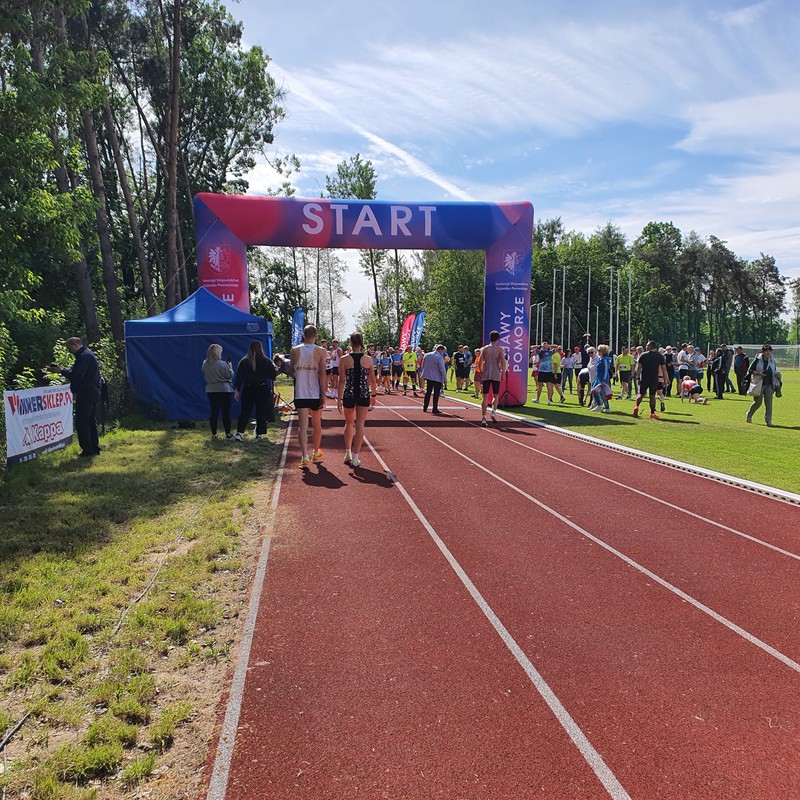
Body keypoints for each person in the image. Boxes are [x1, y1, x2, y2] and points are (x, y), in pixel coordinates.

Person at [50, 336, 102, 457]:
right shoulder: (87, 354)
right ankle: (94, 447)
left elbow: (77, 376)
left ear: (76, 345)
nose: (69, 351)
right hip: (93, 391)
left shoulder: (83, 357)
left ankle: (87, 449)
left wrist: (61, 371)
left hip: (86, 392)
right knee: (91, 420)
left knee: (82, 422)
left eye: (70, 348)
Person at [289, 324, 327, 467]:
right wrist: (323, 393)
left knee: (302, 425)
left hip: (300, 392)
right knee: (317, 424)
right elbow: (322, 374)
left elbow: (291, 371)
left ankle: (304, 456)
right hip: (315, 392)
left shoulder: (294, 350)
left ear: (303, 336)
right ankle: (316, 452)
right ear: (316, 336)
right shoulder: (321, 351)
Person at [337, 332, 377, 468]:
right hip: (363, 394)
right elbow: (373, 380)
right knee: (360, 425)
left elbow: (341, 380)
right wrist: (374, 396)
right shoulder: (368, 359)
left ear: (350, 343)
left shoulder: (344, 359)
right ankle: (356, 457)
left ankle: (348, 452)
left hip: (349, 393)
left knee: (349, 423)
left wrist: (339, 398)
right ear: (361, 342)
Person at [233, 340, 276, 441]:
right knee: (261, 411)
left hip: (248, 388)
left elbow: (239, 377)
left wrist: (237, 389)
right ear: (260, 348)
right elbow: (273, 375)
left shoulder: (244, 361)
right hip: (263, 388)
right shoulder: (266, 361)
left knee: (245, 411)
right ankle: (259, 434)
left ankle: (240, 433)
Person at [201, 343, 234, 440]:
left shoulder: (205, 365)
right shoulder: (223, 364)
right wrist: (230, 368)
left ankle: (214, 433)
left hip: (211, 389)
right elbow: (229, 375)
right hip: (224, 389)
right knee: (226, 412)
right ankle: (228, 433)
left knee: (214, 412)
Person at [633, 340, 668, 420]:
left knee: (641, 394)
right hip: (654, 378)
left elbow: (639, 368)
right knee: (652, 395)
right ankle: (652, 413)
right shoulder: (659, 356)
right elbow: (664, 369)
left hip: (644, 377)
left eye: (647, 345)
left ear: (651, 346)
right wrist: (665, 379)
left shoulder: (643, 355)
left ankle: (636, 407)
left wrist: (638, 378)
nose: (646, 347)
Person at [479, 330, 508, 425]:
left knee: (485, 396)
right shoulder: (500, 349)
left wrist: (481, 371)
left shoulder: (484, 349)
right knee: (495, 395)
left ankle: (484, 417)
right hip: (496, 373)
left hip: (486, 374)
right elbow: (503, 361)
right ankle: (493, 412)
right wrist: (503, 373)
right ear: (498, 339)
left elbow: (480, 361)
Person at [746, 344, 778, 427]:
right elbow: (750, 370)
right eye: (766, 351)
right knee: (758, 402)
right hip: (759, 384)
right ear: (763, 352)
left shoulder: (772, 361)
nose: (768, 352)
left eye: (769, 351)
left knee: (769, 403)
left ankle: (768, 421)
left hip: (769, 384)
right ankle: (749, 414)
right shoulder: (757, 359)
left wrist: (777, 374)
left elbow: (774, 370)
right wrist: (759, 373)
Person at [421, 344, 448, 413]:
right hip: (437, 378)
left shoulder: (427, 355)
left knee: (428, 392)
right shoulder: (439, 357)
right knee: (436, 393)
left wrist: (424, 373)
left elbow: (423, 365)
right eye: (443, 351)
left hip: (429, 376)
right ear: (440, 350)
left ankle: (425, 407)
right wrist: (445, 378)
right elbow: (442, 369)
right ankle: (434, 408)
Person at [590, 344, 613, 412]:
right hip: (599, 378)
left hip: (603, 378)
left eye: (599, 350)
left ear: (603, 351)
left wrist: (603, 380)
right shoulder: (601, 359)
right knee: (594, 390)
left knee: (602, 392)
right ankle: (600, 405)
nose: (598, 351)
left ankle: (605, 407)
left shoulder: (604, 360)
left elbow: (606, 370)